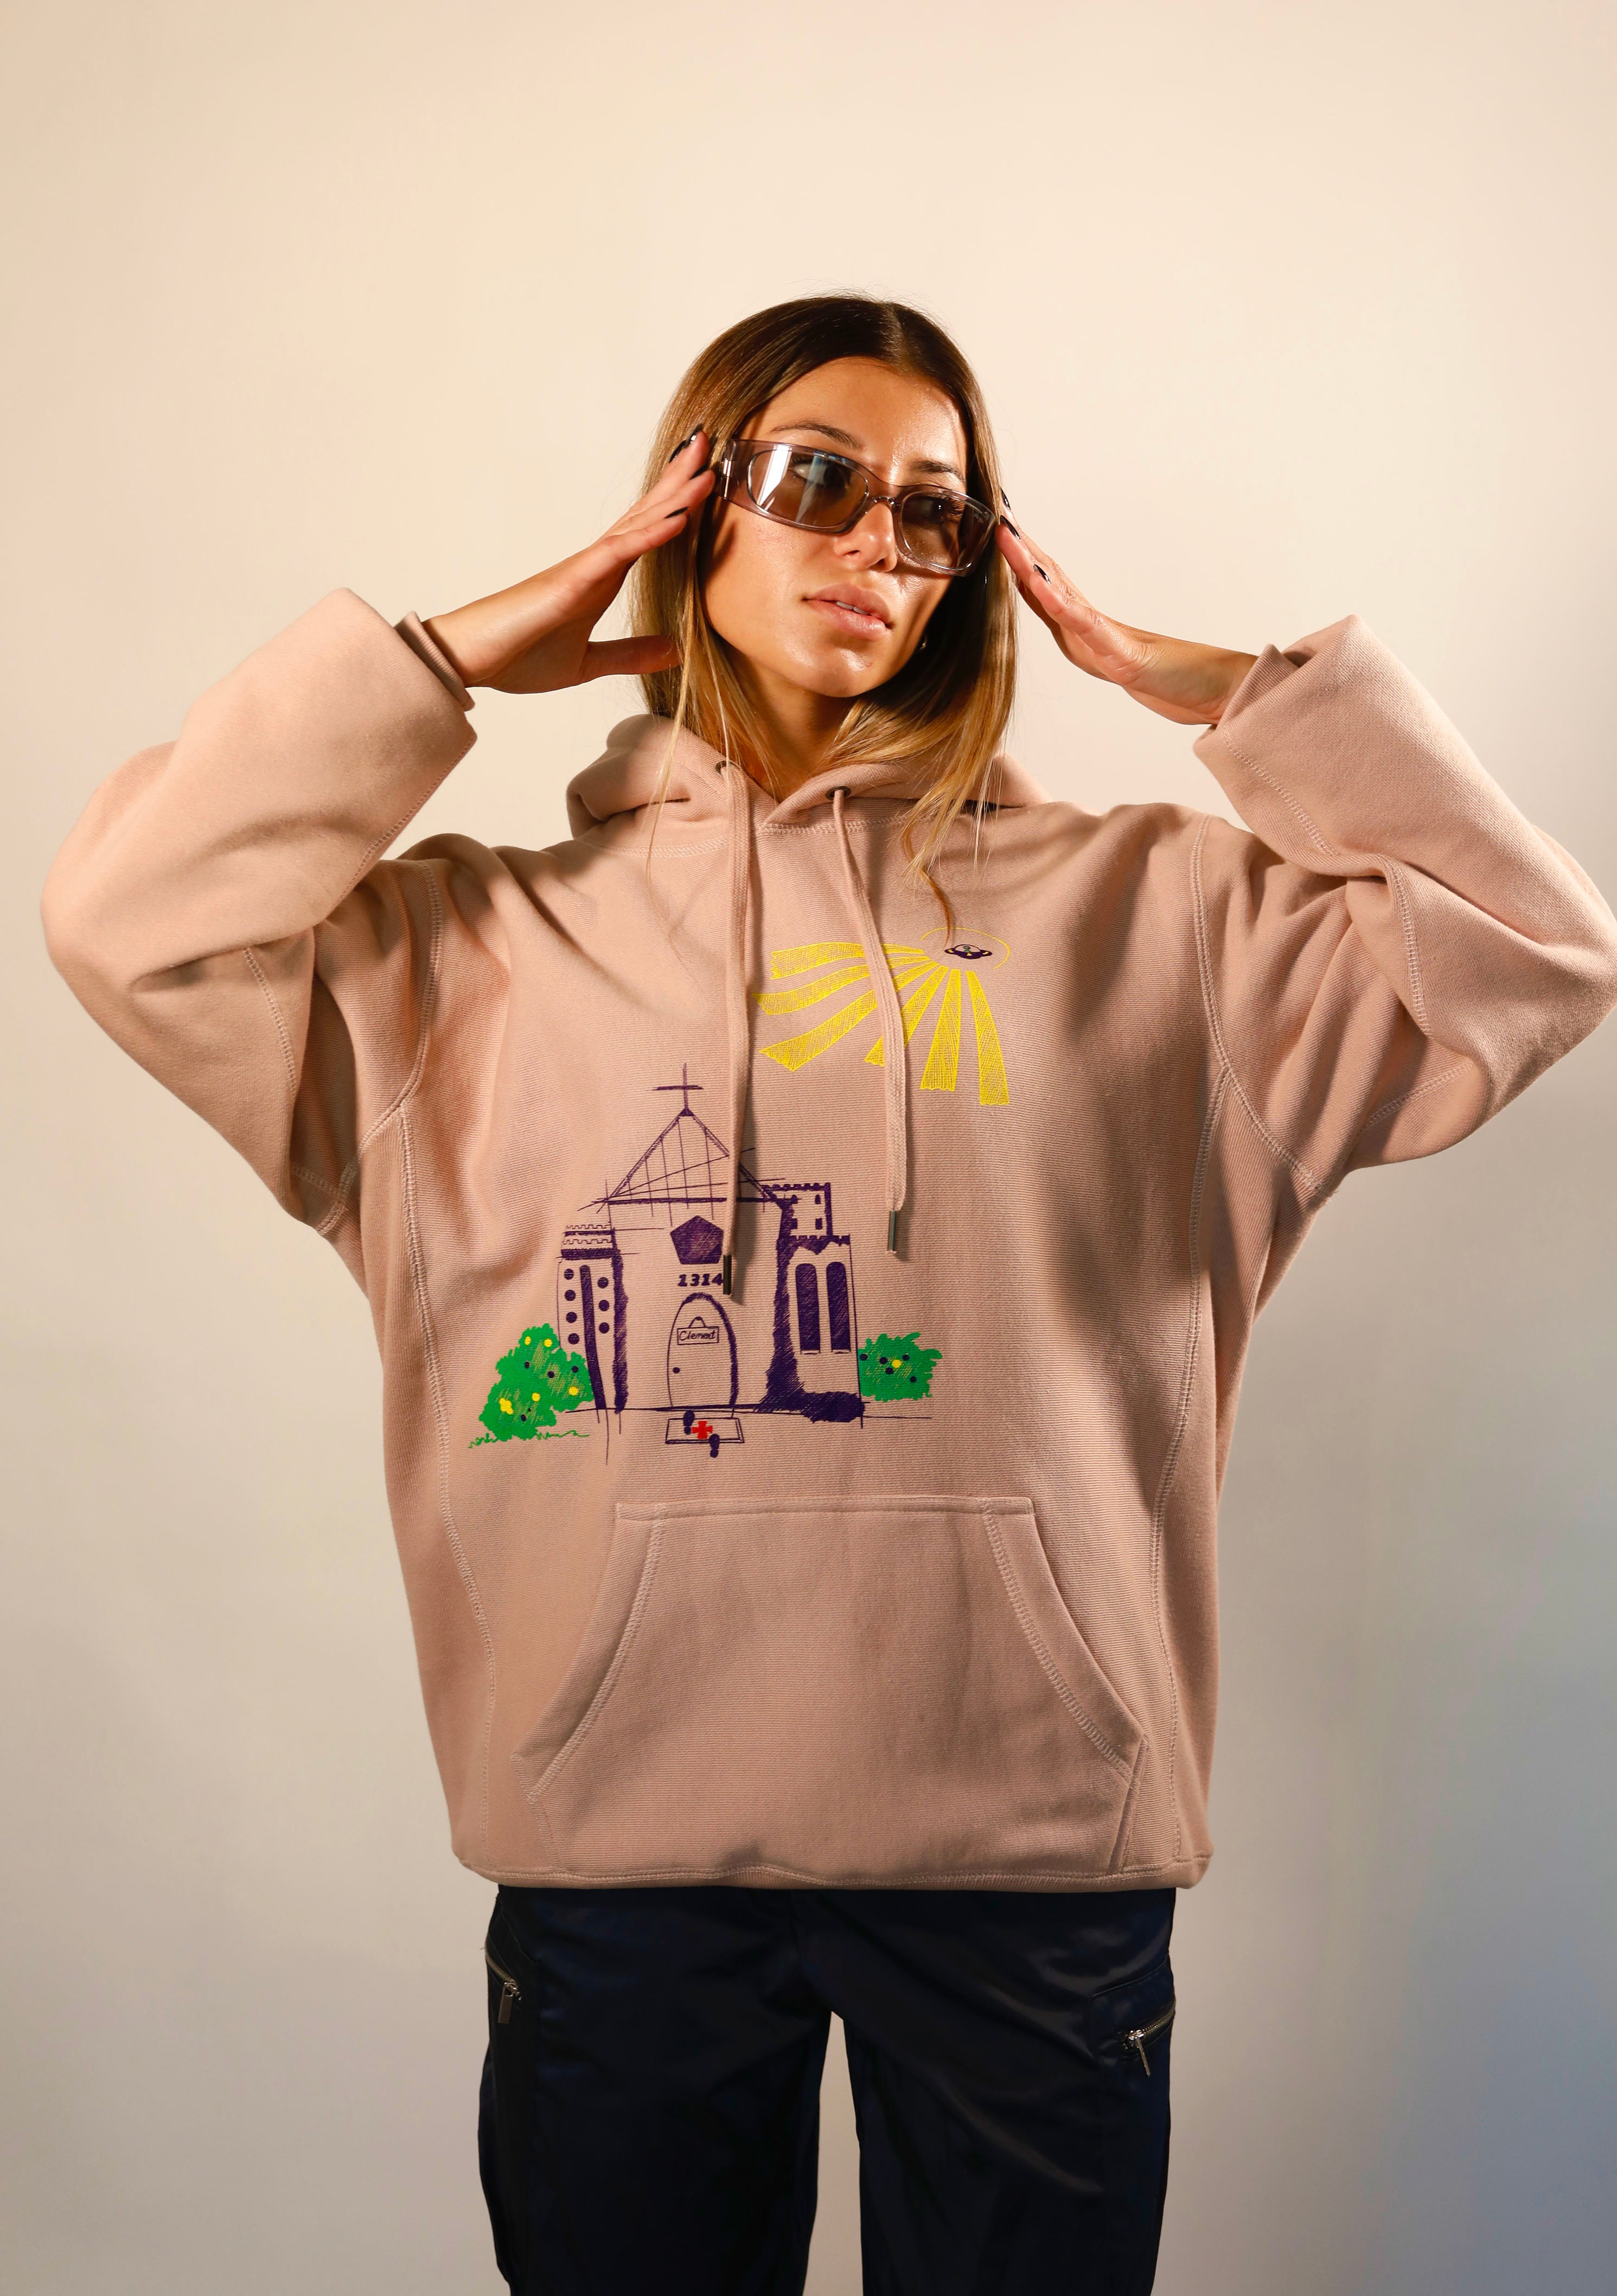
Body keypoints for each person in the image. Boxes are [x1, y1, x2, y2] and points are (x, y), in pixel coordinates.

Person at [41, 294, 1617, 2295]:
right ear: (689, 504)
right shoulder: (469, 956)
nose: (880, 539)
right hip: (621, 1846)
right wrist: (440, 664)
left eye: (937, 511)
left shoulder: (1170, 923)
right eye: (817, 480)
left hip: (1035, 1851)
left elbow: (1539, 958)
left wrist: (1239, 696)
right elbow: (129, 920)